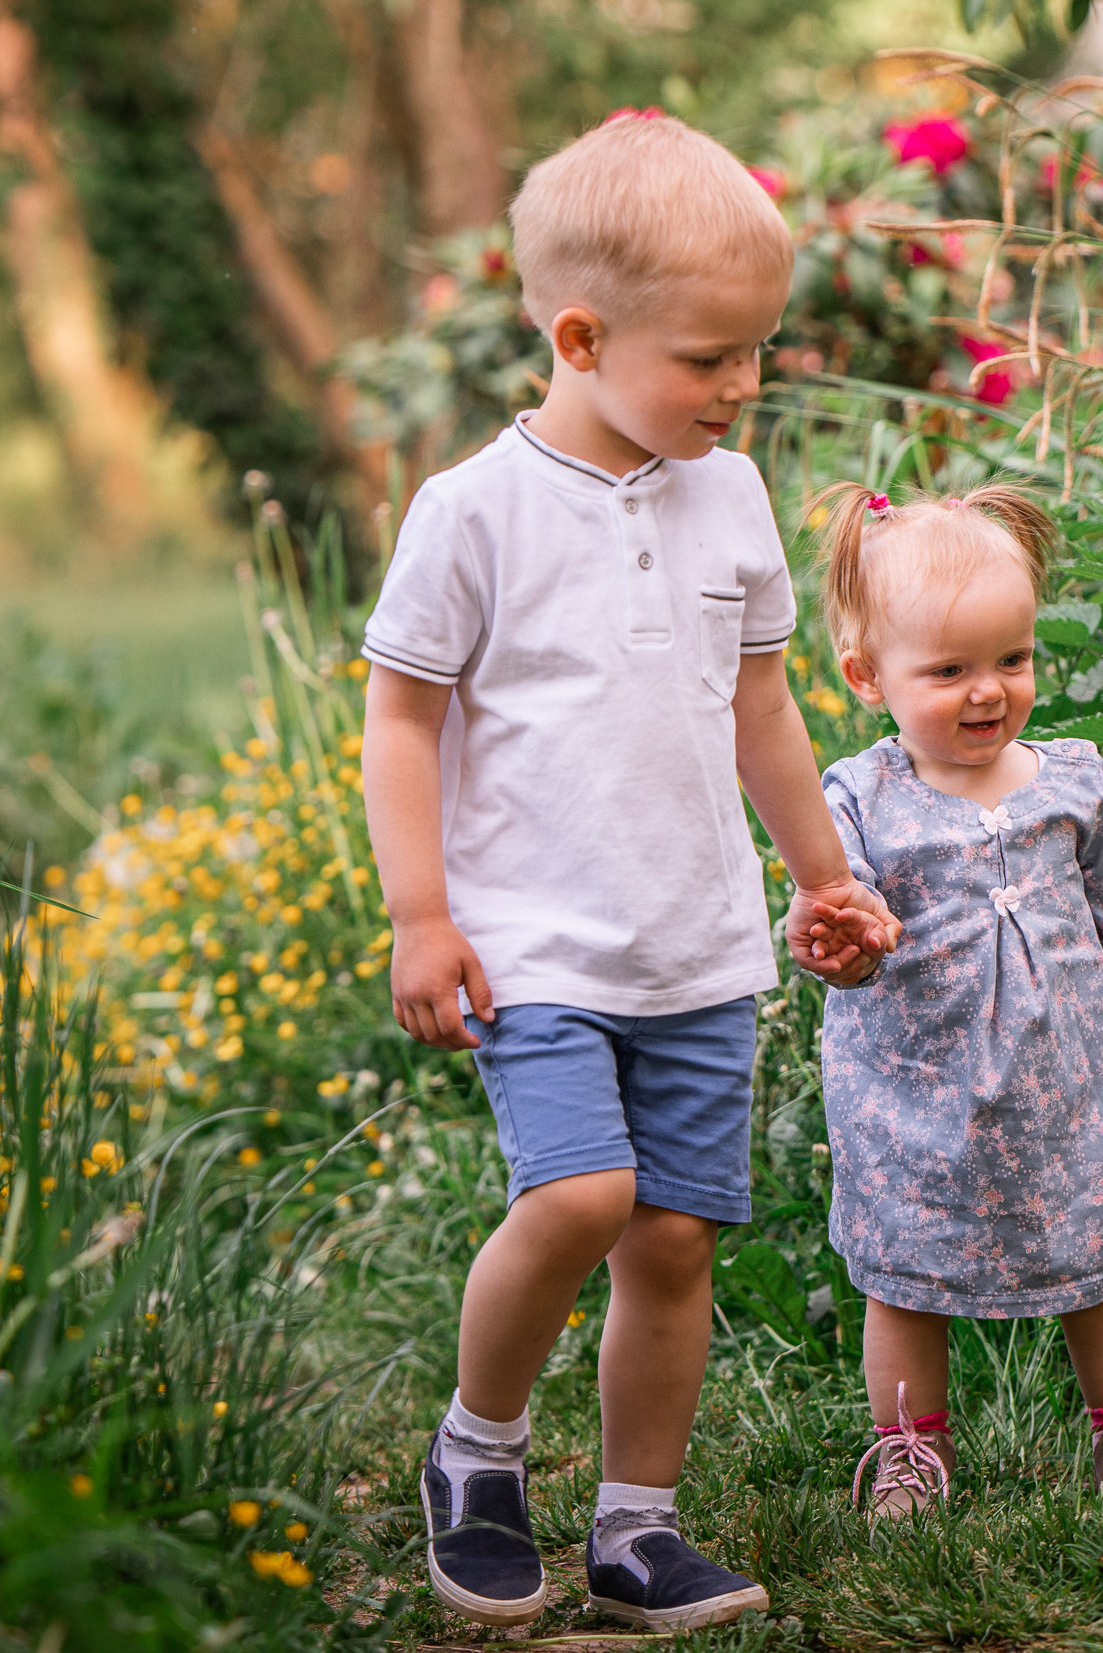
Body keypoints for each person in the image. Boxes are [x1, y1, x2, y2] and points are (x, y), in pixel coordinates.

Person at [358, 112, 898, 1632]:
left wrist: (819, 873)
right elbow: (400, 718)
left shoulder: (726, 498)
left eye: (757, 355)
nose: (742, 387)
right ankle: (478, 1459)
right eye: (709, 358)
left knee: (672, 1238)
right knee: (583, 1194)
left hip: (696, 942)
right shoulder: (474, 510)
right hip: (533, 941)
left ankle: (637, 1529)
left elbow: (763, 705)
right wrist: (422, 915)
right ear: (582, 336)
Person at [800, 482, 1103, 1523]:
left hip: (1062, 1093)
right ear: (867, 677)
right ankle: (907, 1452)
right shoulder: (854, 798)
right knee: (903, 1277)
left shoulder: (1071, 781)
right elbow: (830, 916)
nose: (987, 691)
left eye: (1011, 660)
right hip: (914, 1100)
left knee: (1097, 1269)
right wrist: (841, 947)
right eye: (948, 671)